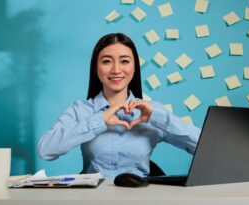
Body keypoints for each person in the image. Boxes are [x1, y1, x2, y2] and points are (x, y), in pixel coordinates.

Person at [38, 33, 201, 178]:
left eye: (124, 61)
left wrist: (157, 117)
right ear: (96, 68)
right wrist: (99, 120)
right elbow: (45, 150)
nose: (116, 70)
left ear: (134, 67)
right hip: (94, 198)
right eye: (107, 61)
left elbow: (202, 147)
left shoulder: (152, 111)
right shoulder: (80, 110)